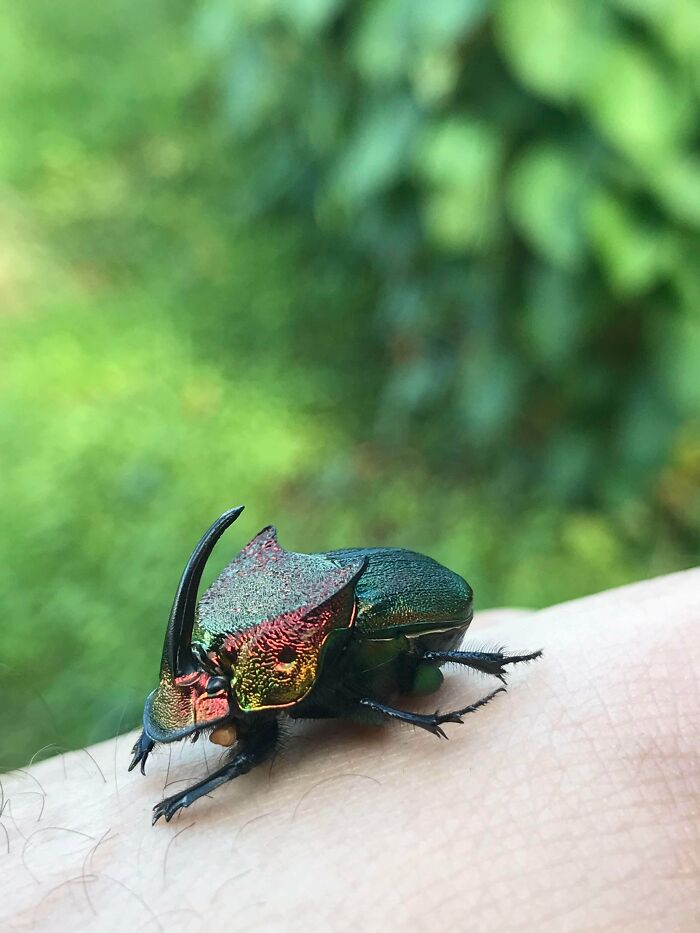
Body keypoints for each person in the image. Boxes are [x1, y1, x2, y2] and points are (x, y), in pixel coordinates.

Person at [2, 570, 698, 931]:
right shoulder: (257, 652)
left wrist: (187, 796)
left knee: (369, 700)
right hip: (333, 635)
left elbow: (252, 751)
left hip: (416, 616)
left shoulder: (291, 671)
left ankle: (491, 667)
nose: (204, 714)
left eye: (209, 703)